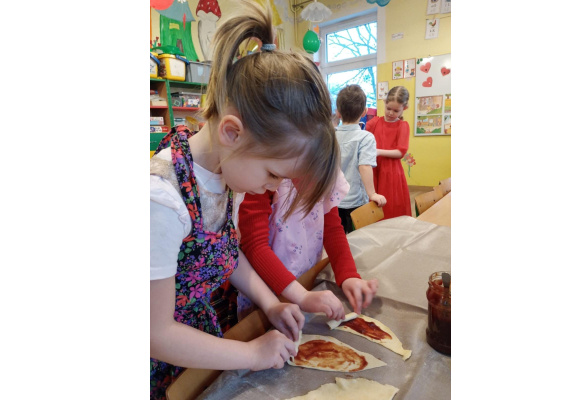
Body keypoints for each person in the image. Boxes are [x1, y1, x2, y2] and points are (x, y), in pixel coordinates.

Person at [149, 2, 340, 398]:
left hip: (201, 350)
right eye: (273, 174)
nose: (273, 189)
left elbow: (229, 254)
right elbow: (155, 334)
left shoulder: (226, 175)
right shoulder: (161, 200)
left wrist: (271, 304)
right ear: (232, 133)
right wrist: (251, 353)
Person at [237, 171, 380, 322]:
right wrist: (301, 295)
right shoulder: (263, 176)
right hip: (264, 292)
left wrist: (348, 275)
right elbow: (255, 245)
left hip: (306, 282)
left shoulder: (326, 171)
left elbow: (332, 229)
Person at [334, 84, 386, 233]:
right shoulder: (366, 137)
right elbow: (364, 166)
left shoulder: (330, 136)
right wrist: (372, 194)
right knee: (356, 238)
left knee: (337, 237)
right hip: (355, 201)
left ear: (338, 112)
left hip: (332, 201)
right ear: (364, 111)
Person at [365, 86, 413, 219]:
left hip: (391, 172)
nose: (391, 113)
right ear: (384, 103)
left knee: (391, 205)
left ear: (404, 108)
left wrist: (378, 152)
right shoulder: (375, 122)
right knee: (374, 205)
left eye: (396, 110)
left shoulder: (402, 125)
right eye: (388, 108)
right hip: (374, 170)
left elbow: (400, 152)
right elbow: (361, 133)